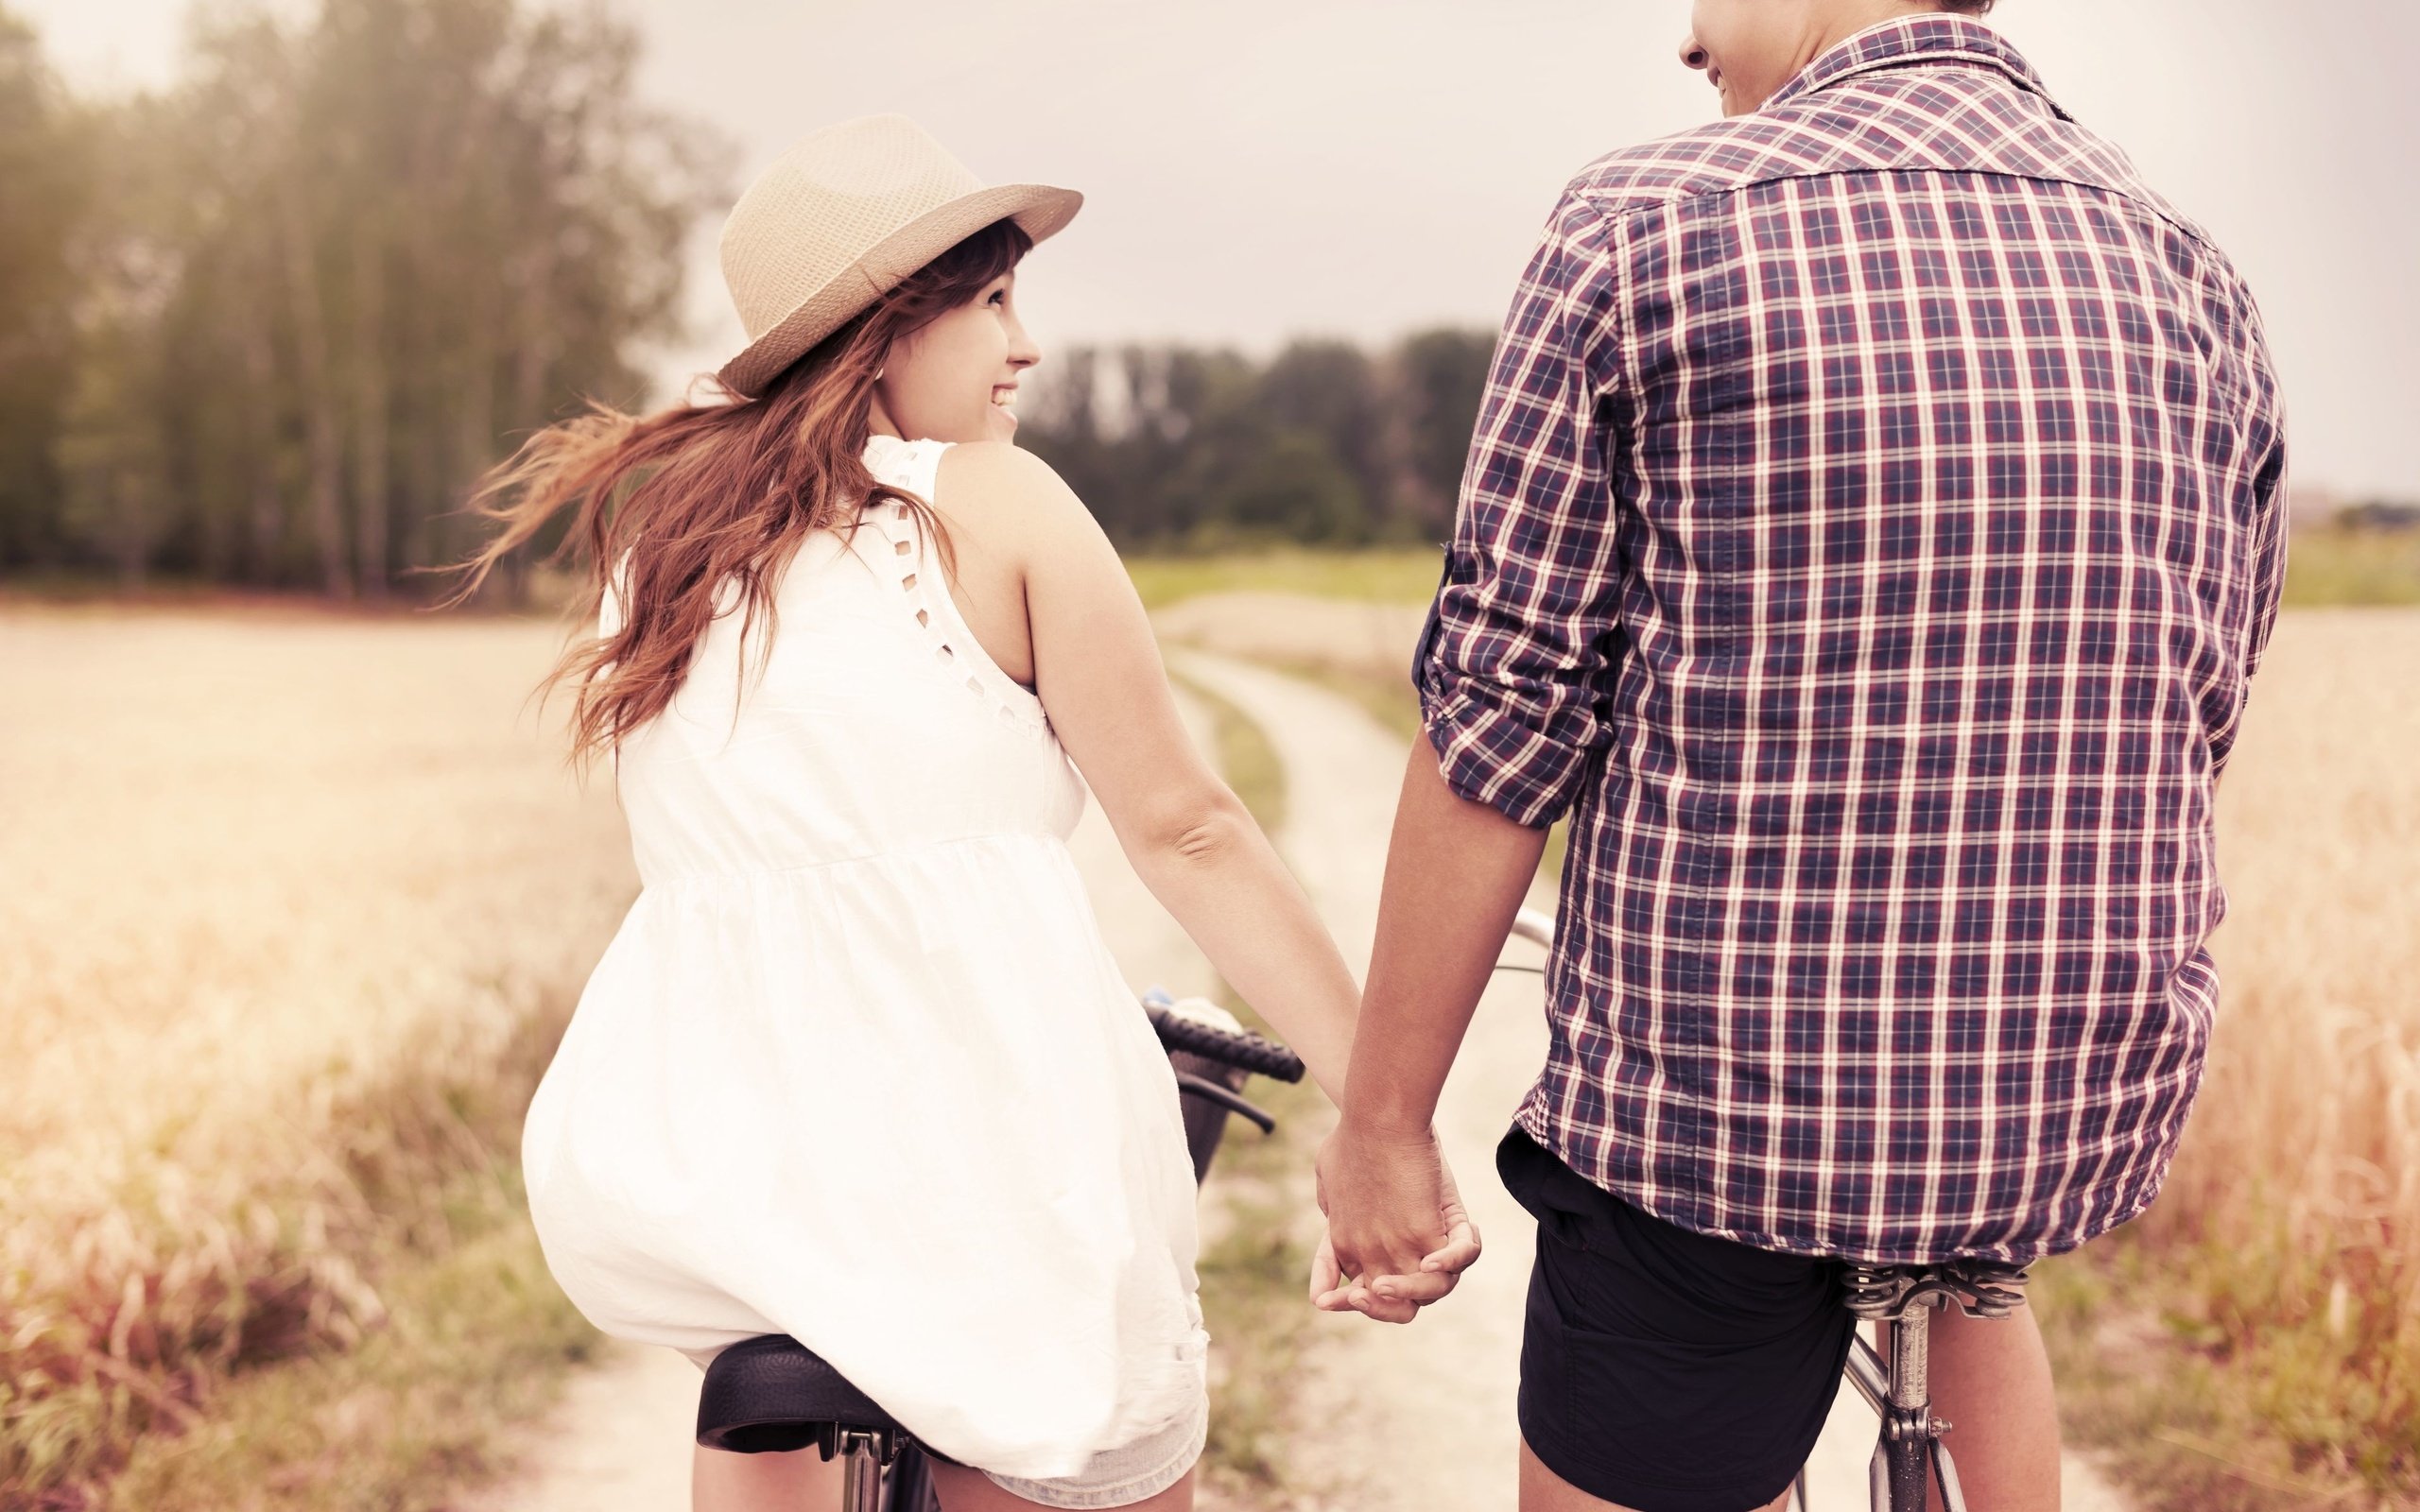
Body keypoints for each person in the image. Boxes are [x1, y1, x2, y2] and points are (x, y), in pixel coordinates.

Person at [1313, 3, 2288, 1511]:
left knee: (1702, 1256)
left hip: (1725, 1115)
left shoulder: (1645, 225)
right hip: (2060, 1108)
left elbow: (1505, 712)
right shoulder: (2189, 267)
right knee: (1974, 1275)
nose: (1687, 41)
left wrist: (1383, 1125)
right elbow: (2199, 697)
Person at [445, 115, 1476, 1512]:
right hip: (976, 1152)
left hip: (709, 1153)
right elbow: (1187, 830)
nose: (1025, 345)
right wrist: (1383, 1113)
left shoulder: (663, 544)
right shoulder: (995, 502)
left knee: (761, 1374)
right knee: (1082, 1416)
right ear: (883, 330)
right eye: (992, 300)